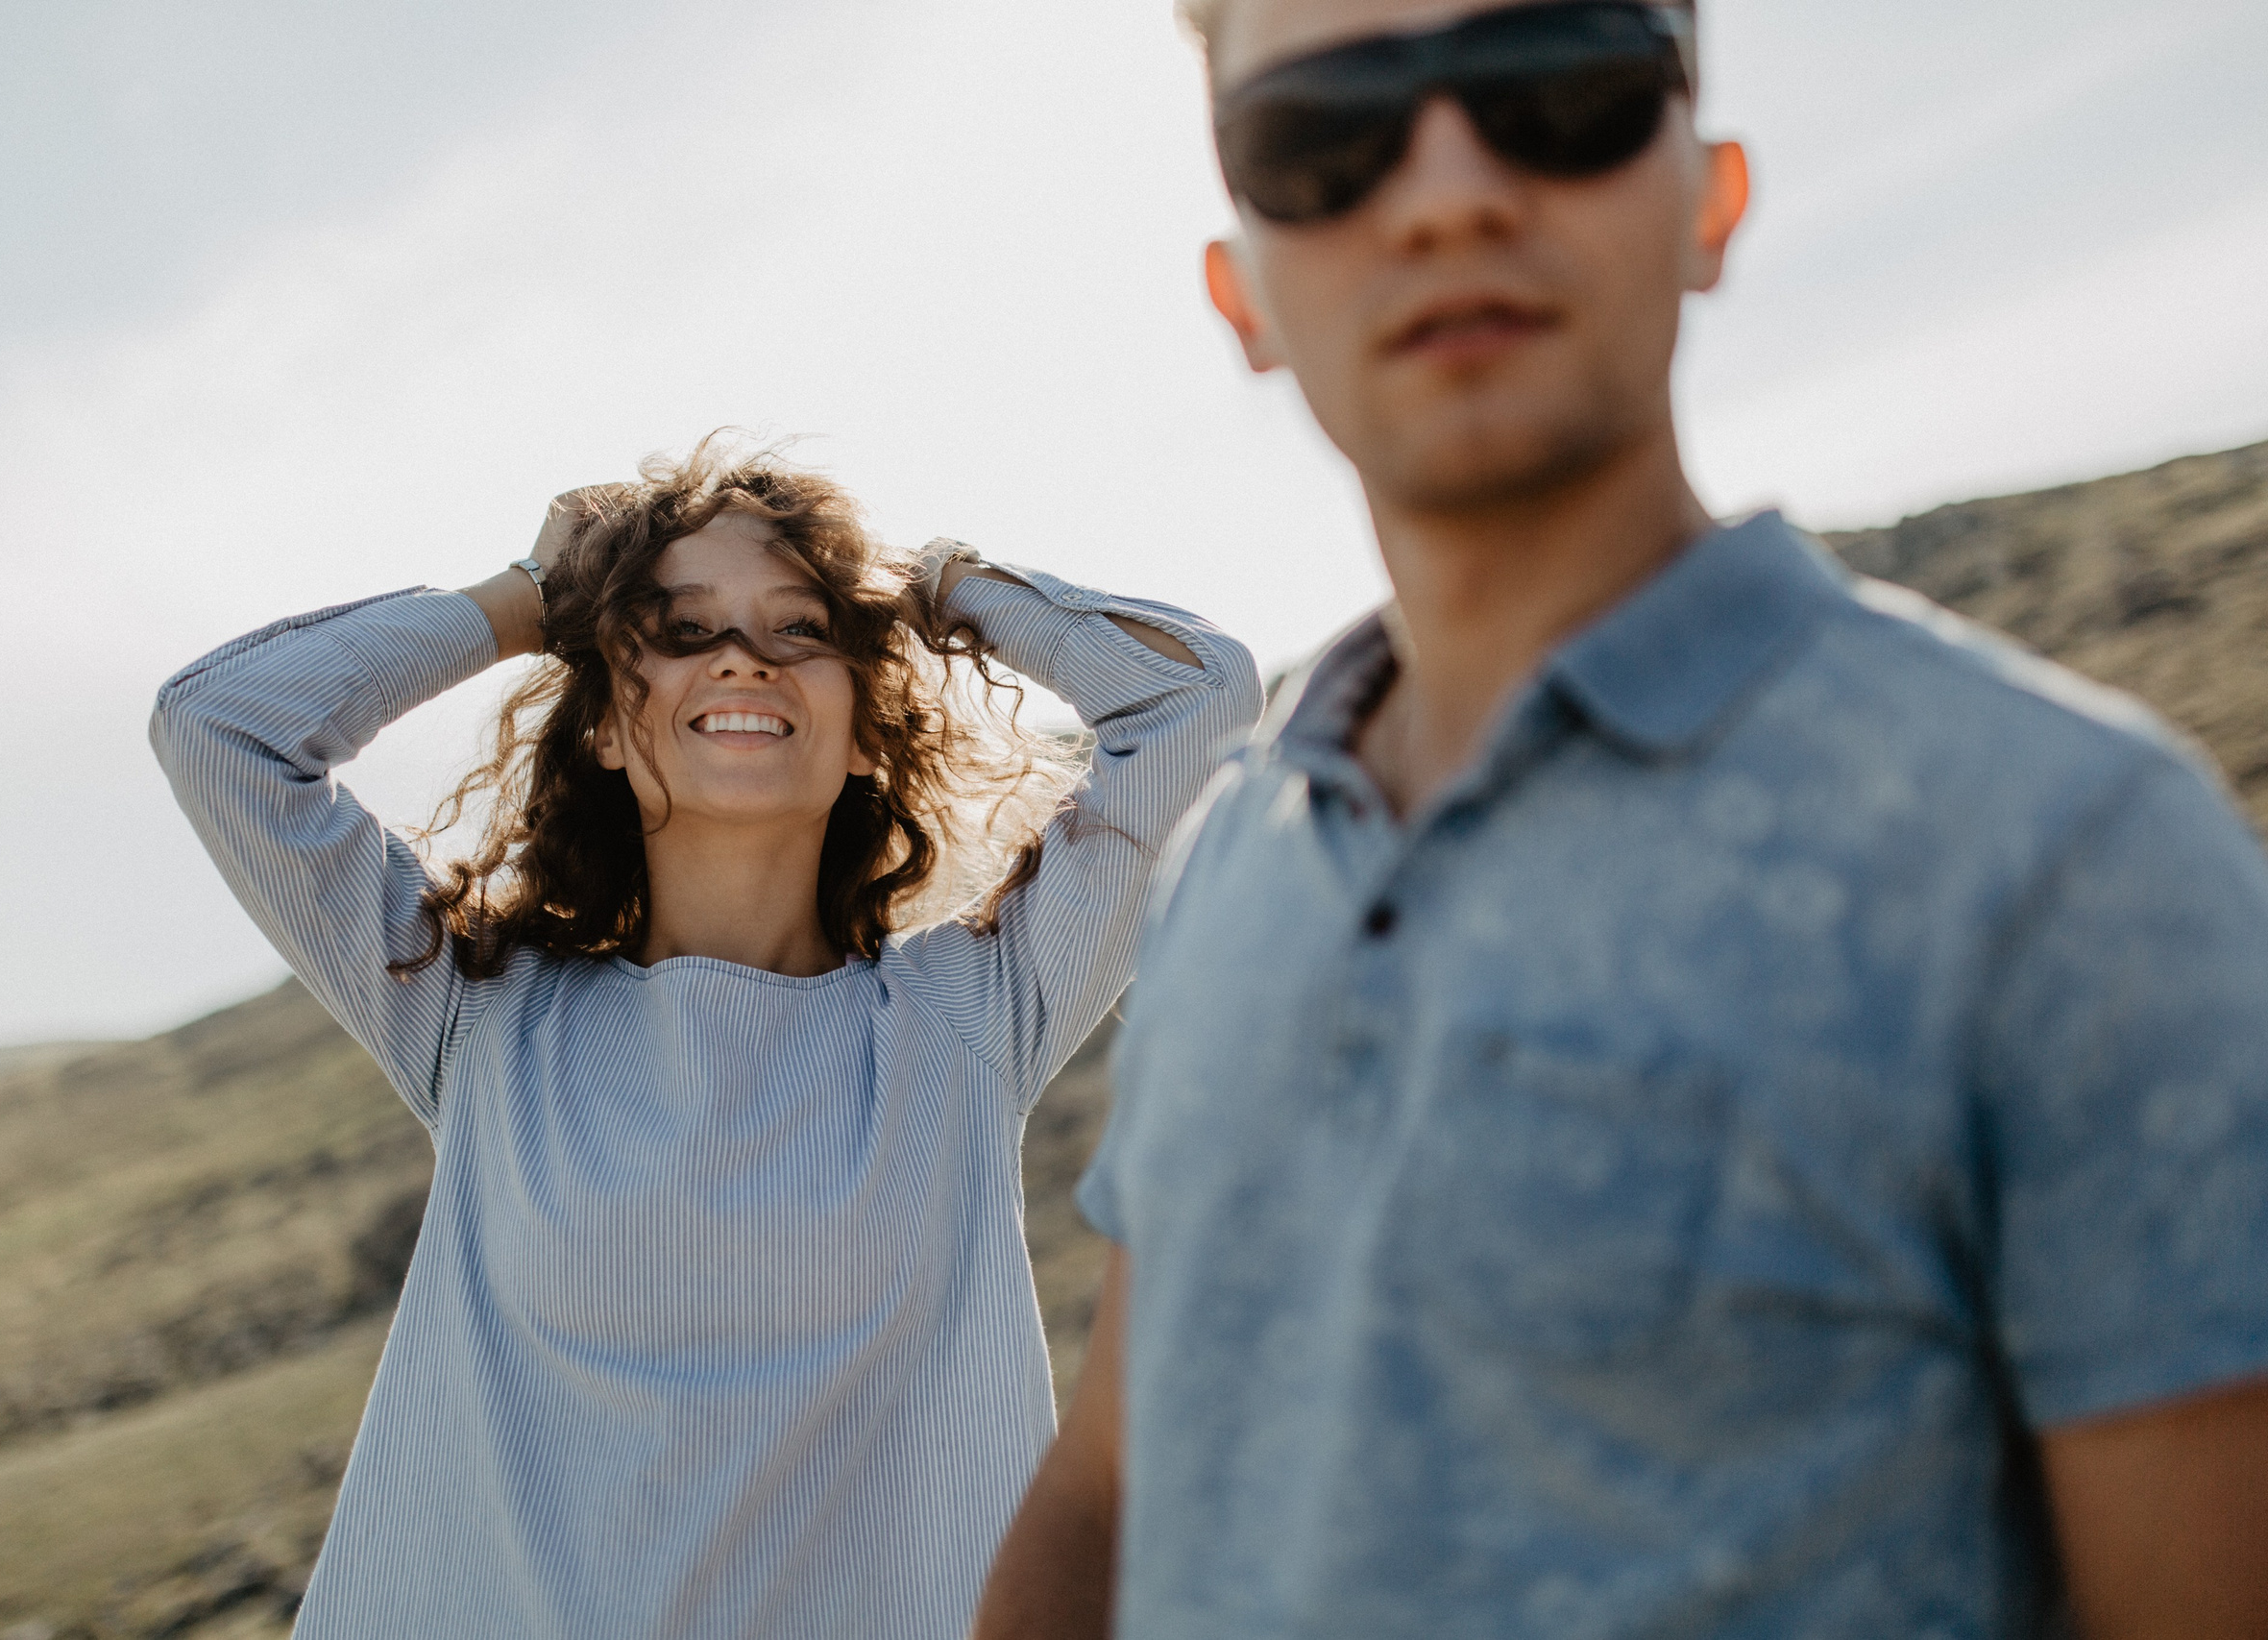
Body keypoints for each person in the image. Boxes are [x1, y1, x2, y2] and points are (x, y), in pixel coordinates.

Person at [976, 2, 2268, 1636]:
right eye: (1324, 135)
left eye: (1557, 88)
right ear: (1241, 294)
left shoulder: (2073, 854)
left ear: (1712, 197)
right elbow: (1106, 1494)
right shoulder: (1234, 860)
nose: (1447, 193)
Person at [150, 441, 1256, 1637]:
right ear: (611, 730)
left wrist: (934, 586)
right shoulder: (479, 1016)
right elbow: (222, 728)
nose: (740, 656)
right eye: (678, 630)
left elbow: (1199, 698)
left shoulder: (972, 1019)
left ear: (868, 729)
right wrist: (528, 596)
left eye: (800, 629)